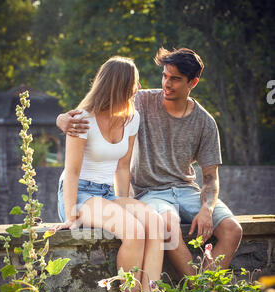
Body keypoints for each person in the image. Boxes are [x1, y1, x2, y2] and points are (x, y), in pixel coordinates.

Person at [56, 47, 243, 279]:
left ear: (192, 82)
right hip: (128, 192)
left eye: (175, 79)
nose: (167, 83)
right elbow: (103, 100)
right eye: (165, 75)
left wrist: (207, 209)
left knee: (228, 229)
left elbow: (210, 177)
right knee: (156, 227)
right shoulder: (139, 101)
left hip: (176, 191)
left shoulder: (202, 122)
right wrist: (62, 119)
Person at [56, 56, 164, 292]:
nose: (137, 89)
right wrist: (71, 215)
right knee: (134, 231)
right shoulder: (82, 119)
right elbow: (71, 171)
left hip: (106, 194)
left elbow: (123, 168)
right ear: (119, 87)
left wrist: (125, 204)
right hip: (78, 194)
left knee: (156, 223)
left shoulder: (132, 118)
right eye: (132, 84)